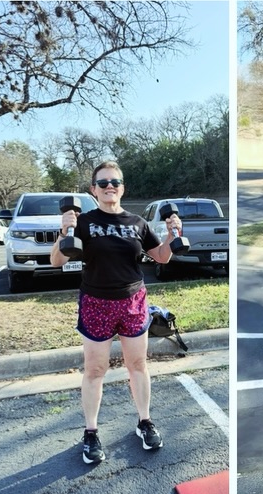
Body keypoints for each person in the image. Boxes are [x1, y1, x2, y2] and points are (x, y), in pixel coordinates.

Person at [52, 160, 183, 464]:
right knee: (95, 370)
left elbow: (161, 257)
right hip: (96, 302)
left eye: (115, 182)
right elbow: (57, 261)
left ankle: (145, 422)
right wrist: (63, 230)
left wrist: (170, 235)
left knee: (137, 365)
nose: (109, 186)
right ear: (93, 190)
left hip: (132, 301)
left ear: (122, 188)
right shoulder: (83, 222)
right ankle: (91, 432)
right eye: (103, 183)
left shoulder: (137, 222)